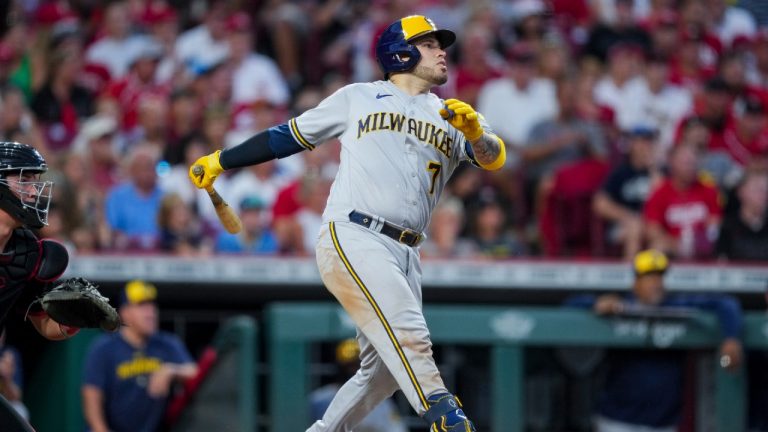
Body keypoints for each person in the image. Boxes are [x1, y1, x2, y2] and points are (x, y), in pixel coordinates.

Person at [189, 15, 507, 431]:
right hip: (357, 233)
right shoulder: (359, 96)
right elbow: (288, 136)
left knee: (387, 372)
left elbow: (494, 158)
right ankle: (444, 412)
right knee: (410, 336)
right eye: (429, 44)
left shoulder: (453, 113)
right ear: (402, 51)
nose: (442, 51)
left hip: (408, 251)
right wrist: (221, 160)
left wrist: (476, 135)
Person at [566, 249, 744, 432]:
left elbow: (727, 303)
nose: (656, 283)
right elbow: (571, 304)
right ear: (636, 282)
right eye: (649, 277)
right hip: (617, 421)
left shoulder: (675, 305)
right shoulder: (620, 305)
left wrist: (731, 338)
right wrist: (596, 304)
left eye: (659, 277)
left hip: (663, 424)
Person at [0, 141, 91, 431]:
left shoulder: (26, 251)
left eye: (34, 180)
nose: (33, 190)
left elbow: (44, 323)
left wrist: (72, 318)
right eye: (23, 179)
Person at [82, 280, 198, 432]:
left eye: (151, 305)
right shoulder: (105, 348)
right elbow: (92, 395)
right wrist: (100, 429)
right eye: (142, 306)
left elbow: (195, 372)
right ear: (124, 313)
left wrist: (171, 370)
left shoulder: (167, 344)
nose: (150, 312)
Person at [309, 338, 408, 432]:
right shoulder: (321, 399)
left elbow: (397, 429)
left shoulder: (380, 400)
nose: (351, 371)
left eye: (355, 366)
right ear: (339, 368)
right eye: (347, 367)